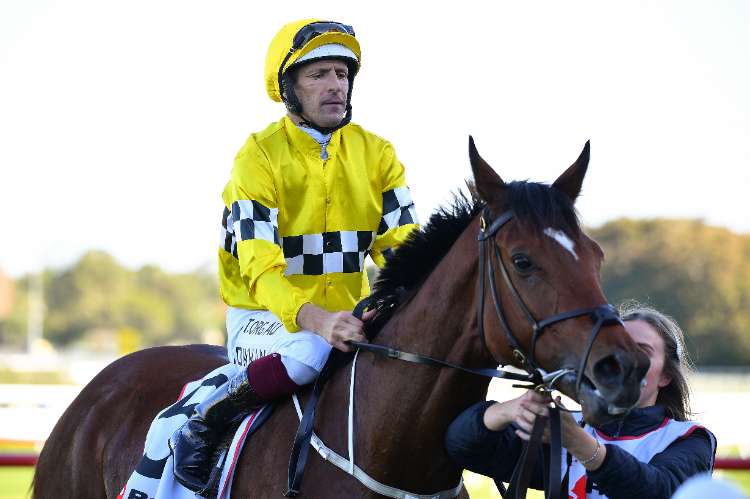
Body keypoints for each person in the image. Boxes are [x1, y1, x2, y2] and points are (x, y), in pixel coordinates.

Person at [170, 19, 419, 492]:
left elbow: (404, 252)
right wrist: (318, 321)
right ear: (289, 89)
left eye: (341, 74)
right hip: (262, 320)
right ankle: (207, 420)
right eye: (318, 74)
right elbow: (260, 271)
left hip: (346, 317)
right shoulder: (257, 157)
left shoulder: (378, 153)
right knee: (311, 350)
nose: (335, 86)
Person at [444, 303, 717, 499]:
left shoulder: (691, 439)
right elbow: (463, 445)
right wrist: (508, 410)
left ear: (666, 376)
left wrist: (578, 442)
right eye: (615, 348)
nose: (623, 359)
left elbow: (656, 491)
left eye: (642, 350)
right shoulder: (568, 427)